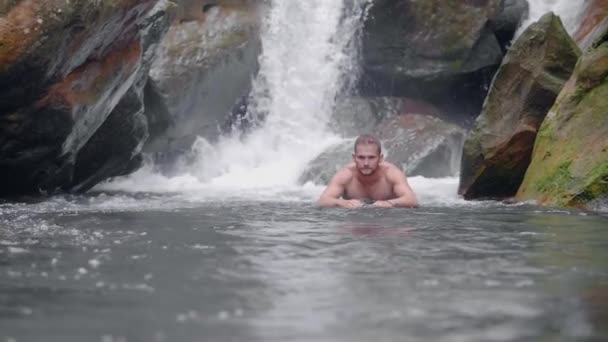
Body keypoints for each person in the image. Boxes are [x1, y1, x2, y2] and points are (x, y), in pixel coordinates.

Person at [318, 134, 418, 208]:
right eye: (361, 157)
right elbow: (323, 200)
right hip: (354, 222)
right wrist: (343, 203)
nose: (366, 163)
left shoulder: (391, 174)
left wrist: (389, 203)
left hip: (387, 220)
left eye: (371, 157)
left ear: (380, 158)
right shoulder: (346, 175)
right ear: (354, 158)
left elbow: (412, 200)